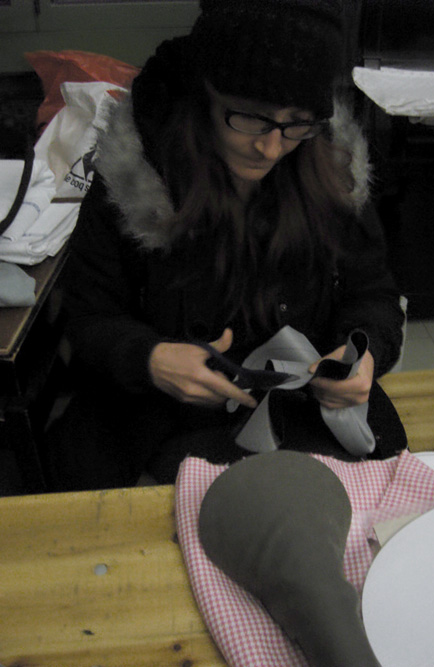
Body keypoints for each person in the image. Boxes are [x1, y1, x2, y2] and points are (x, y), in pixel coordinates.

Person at [44, 0, 406, 491]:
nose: (271, 147)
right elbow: (88, 318)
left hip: (297, 412)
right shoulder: (131, 183)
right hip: (158, 416)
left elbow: (374, 294)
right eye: (252, 118)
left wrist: (364, 353)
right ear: (204, 96)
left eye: (297, 122)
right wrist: (149, 358)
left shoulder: (331, 172)